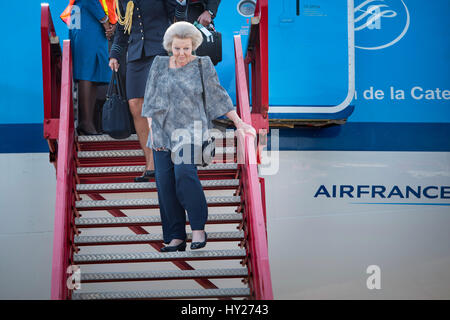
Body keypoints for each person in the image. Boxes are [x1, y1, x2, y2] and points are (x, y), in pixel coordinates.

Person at [142, 21, 256, 252]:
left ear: (193, 46)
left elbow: (218, 97)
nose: (181, 53)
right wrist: (153, 133)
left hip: (193, 132)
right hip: (163, 133)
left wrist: (239, 122)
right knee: (165, 185)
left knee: (184, 172)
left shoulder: (203, 65)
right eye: (177, 48)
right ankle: (175, 236)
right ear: (169, 47)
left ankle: (197, 227)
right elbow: (150, 102)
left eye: (186, 48)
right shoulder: (159, 64)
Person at [108, 0, 187, 182]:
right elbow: (122, 30)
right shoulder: (123, 1)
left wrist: (182, 3)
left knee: (155, 106)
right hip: (136, 55)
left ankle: (154, 163)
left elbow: (177, 17)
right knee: (135, 105)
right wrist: (115, 54)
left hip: (158, 52)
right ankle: (149, 159)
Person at [68, 0, 113, 135]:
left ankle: (88, 122)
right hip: (88, 17)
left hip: (88, 18)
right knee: (86, 71)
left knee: (92, 72)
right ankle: (85, 122)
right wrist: (105, 21)